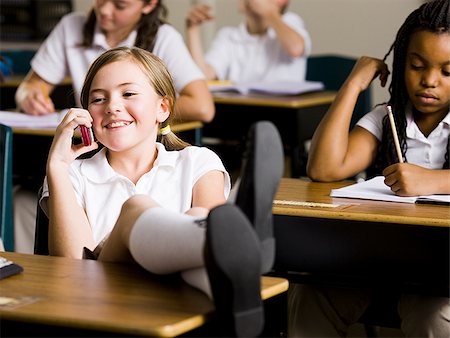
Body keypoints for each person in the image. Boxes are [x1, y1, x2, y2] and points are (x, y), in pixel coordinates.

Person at [39, 46, 284, 337]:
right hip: (103, 305)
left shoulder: (198, 161)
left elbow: (220, 235)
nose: (111, 106)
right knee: (137, 209)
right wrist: (56, 165)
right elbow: (72, 269)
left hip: (175, 303)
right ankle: (251, 245)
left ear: (162, 108)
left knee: (200, 217)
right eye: (98, 99)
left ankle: (233, 297)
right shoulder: (71, 174)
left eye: (128, 94)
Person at [290, 0, 450, 336]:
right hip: (377, 258)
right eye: (417, 65)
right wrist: (353, 86)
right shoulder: (386, 117)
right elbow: (323, 168)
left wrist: (432, 181)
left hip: (440, 272)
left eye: (447, 72)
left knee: (432, 317)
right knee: (311, 293)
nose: (430, 81)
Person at [15, 0, 214, 123]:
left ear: (149, 4)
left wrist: (134, 109)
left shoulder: (164, 38)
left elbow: (202, 106)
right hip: (88, 142)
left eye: (120, 5)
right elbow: (31, 86)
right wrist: (29, 97)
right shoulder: (71, 27)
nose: (105, 10)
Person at [185, 0, 311, 83]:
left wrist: (270, 12)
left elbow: (295, 48)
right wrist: (192, 29)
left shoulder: (291, 22)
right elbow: (203, 75)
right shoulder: (229, 36)